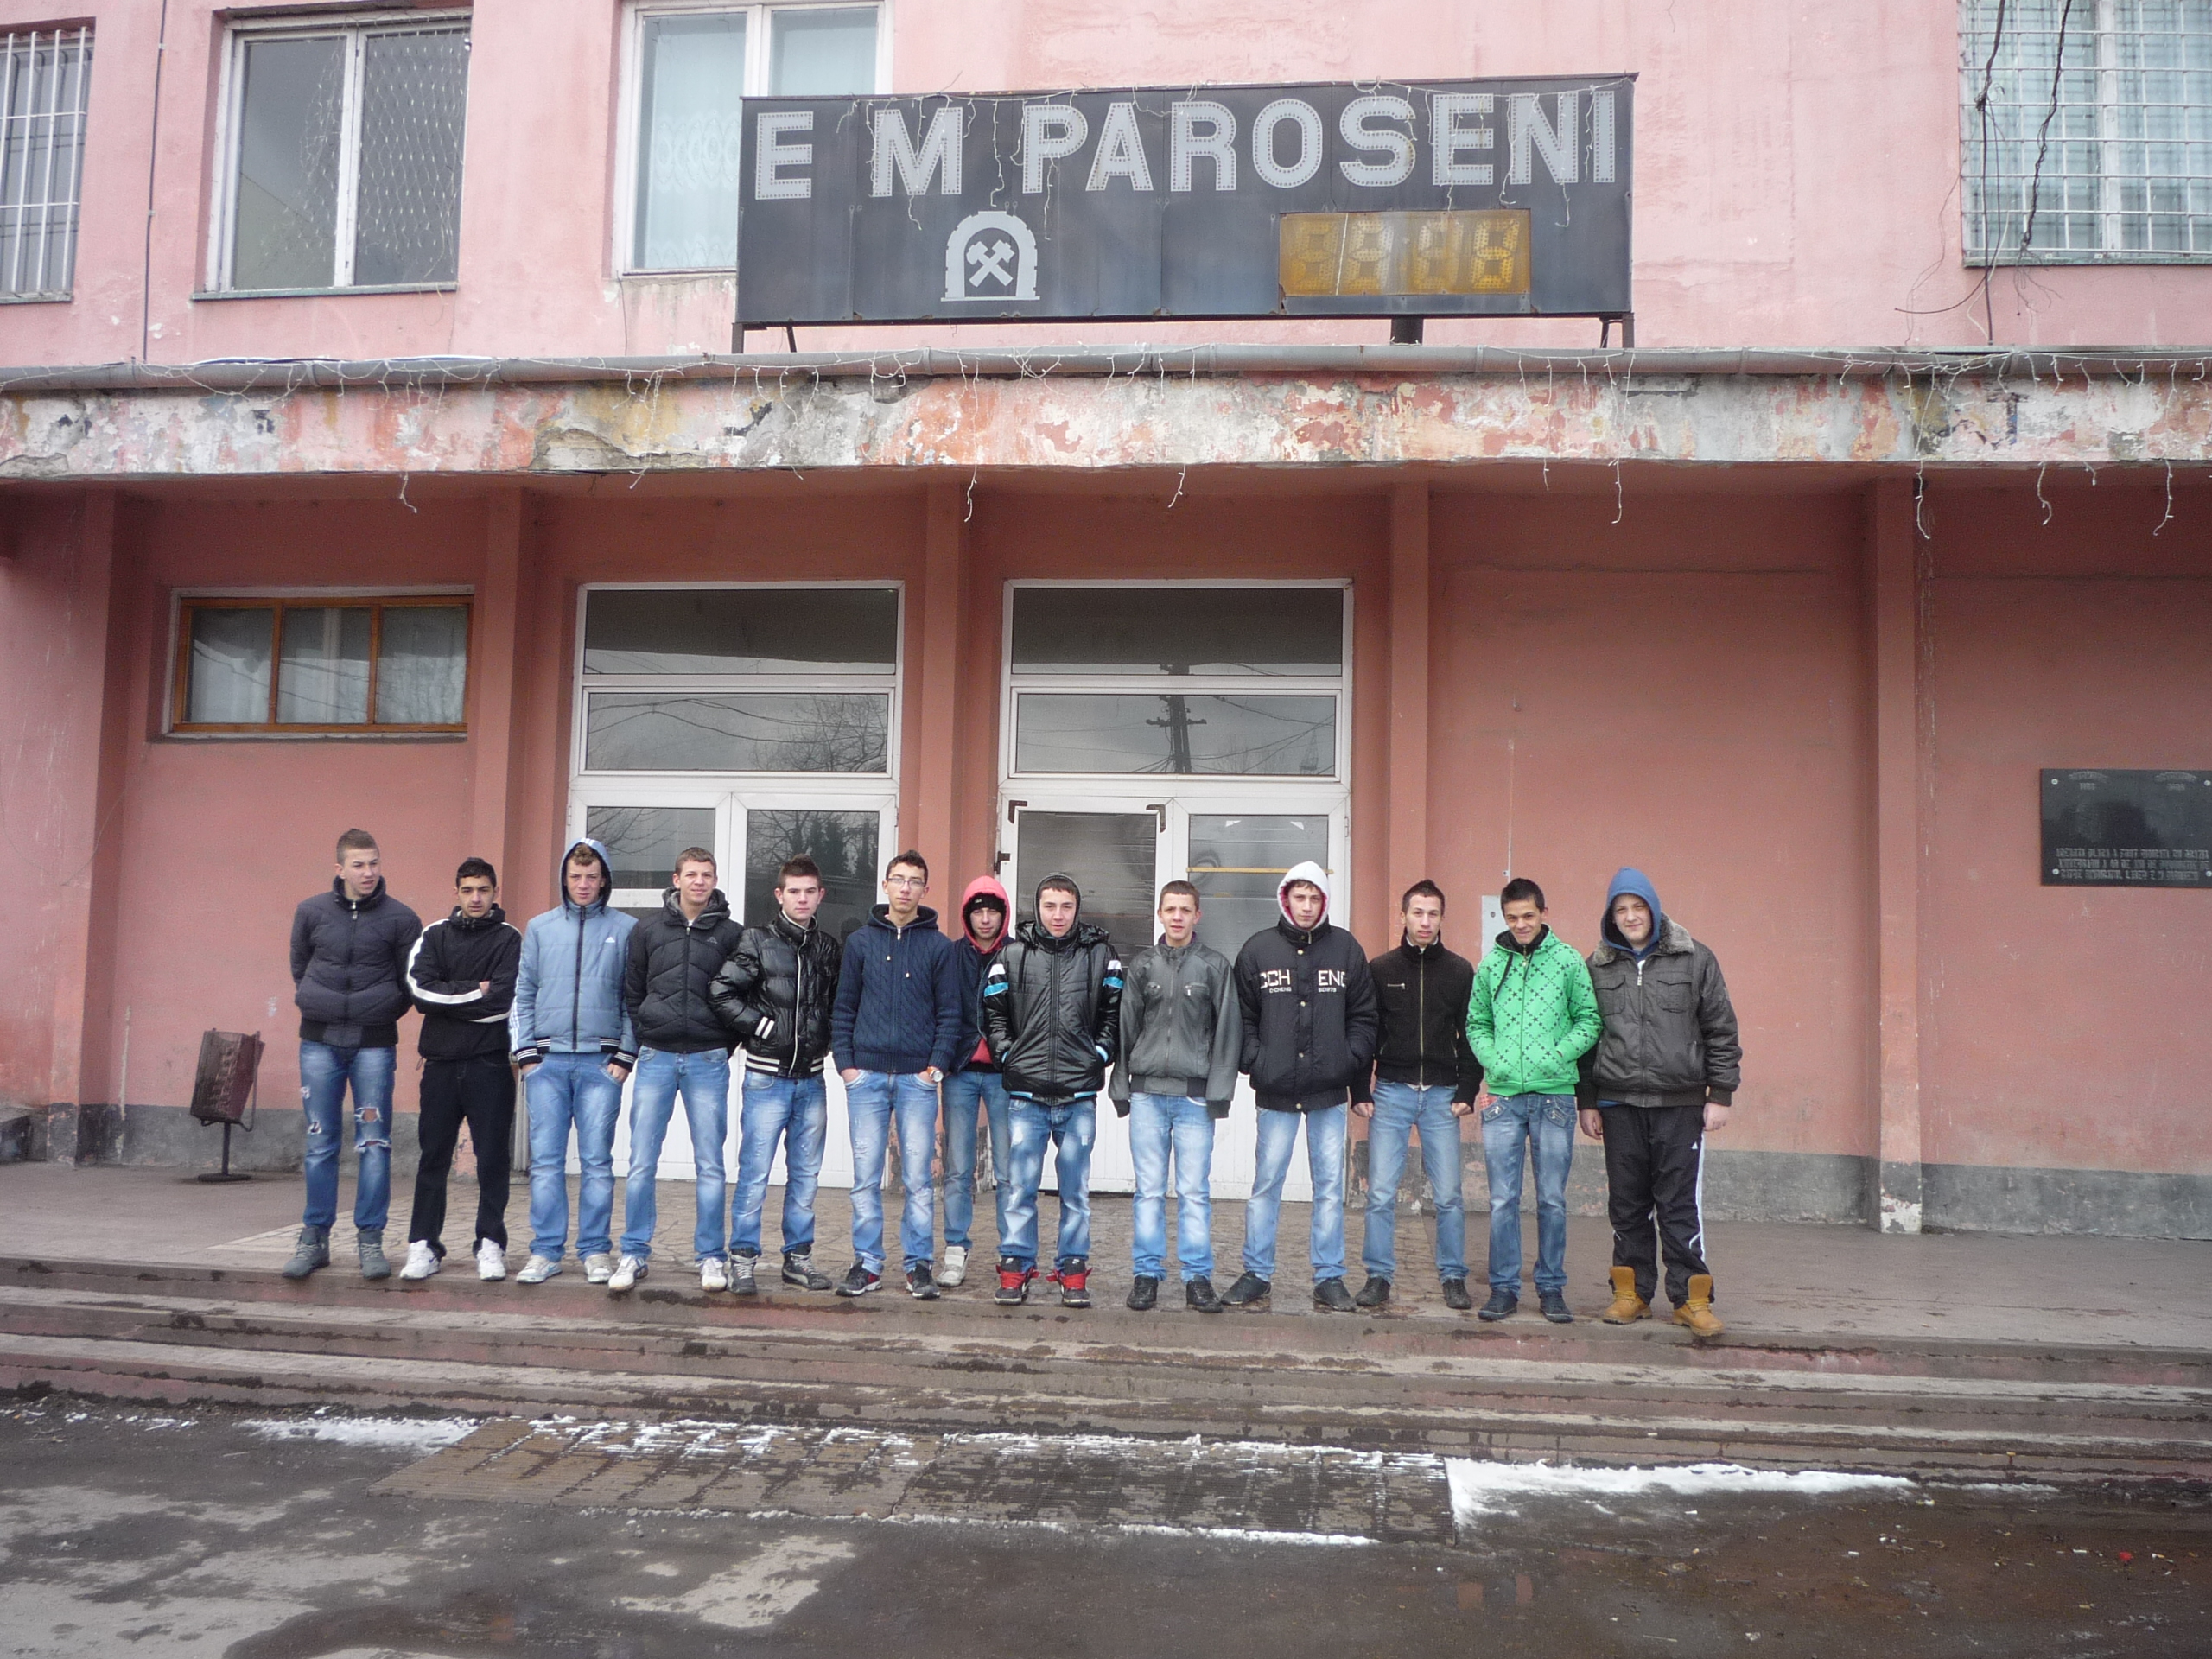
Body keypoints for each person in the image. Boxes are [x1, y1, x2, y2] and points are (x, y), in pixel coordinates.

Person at [1578, 868, 1742, 1338]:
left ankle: (1691, 1299)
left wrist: (1720, 1094)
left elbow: (1721, 1029)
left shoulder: (1695, 959)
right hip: (1618, 1104)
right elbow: (1587, 1039)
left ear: (1654, 909)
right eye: (1621, 910)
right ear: (1611, 916)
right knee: (1626, 1204)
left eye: (1638, 907)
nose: (1630, 917)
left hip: (1680, 1105)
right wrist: (1587, 1100)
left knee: (1678, 1204)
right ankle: (1630, 1294)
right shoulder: (1597, 966)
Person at [1223, 861, 1377, 1313]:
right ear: (1285, 898)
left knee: (1328, 1187)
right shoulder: (1258, 950)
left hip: (1328, 1092)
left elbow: (1364, 1016)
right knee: (1266, 1184)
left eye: (1314, 898)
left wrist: (1349, 1060)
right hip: (1276, 1091)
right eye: (1299, 897)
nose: (1306, 906)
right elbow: (1242, 1017)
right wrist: (1256, 1060)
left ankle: (1329, 1277)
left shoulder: (1346, 950)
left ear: (1324, 901)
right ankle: (1256, 1273)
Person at [283, 829, 423, 1281]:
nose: (368, 872)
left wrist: (382, 1009)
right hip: (319, 1042)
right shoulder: (311, 912)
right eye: (359, 864)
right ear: (339, 868)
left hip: (374, 1045)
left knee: (374, 1143)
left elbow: (410, 980)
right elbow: (300, 967)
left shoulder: (402, 919)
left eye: (374, 863)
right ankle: (314, 1239)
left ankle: (370, 1240)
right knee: (320, 1142)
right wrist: (314, 1000)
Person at [982, 873, 1123, 1308]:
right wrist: (1008, 1055)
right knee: (1019, 1187)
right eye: (1049, 906)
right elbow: (992, 1012)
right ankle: (1016, 1266)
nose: (1057, 915)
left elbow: (1115, 1014)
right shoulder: (1012, 954)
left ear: (1077, 909)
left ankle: (1072, 1269)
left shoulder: (1101, 955)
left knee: (1075, 1192)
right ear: (1037, 908)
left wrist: (1100, 1054)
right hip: (1026, 1096)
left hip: (1078, 1096)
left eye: (1066, 906)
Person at [1466, 876, 1601, 1325]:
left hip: (1555, 1097)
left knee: (1552, 1199)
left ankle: (1551, 1287)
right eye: (1512, 918)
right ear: (1504, 918)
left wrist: (1556, 1055)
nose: (1521, 925)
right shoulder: (1492, 965)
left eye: (1528, 916)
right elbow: (1476, 1023)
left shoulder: (1567, 961)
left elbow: (1589, 1020)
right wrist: (1495, 1060)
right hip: (1503, 1098)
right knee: (1502, 1199)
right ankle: (1503, 1288)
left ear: (1544, 913)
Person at [707, 855, 842, 1294]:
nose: (802, 899)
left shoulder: (828, 948)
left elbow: (837, 1004)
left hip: (813, 1080)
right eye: (794, 891)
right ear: (780, 895)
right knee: (754, 1173)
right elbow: (721, 990)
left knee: (805, 1176)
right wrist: (760, 1027)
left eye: (810, 892)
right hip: (766, 1079)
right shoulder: (757, 940)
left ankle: (797, 1260)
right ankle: (743, 1261)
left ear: (820, 896)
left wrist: (827, 1039)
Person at [830, 850, 963, 1299]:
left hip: (916, 1081)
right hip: (865, 1078)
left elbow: (950, 1014)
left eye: (914, 881)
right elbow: (844, 1007)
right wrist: (846, 1066)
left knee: (919, 1181)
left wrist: (935, 1068)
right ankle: (867, 1264)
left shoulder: (939, 948)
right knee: (866, 1178)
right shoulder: (860, 943)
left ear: (926, 889)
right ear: (885, 885)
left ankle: (918, 1265)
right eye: (898, 879)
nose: (905, 888)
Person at [510, 838, 637, 1285]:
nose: (583, 885)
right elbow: (523, 992)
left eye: (592, 877)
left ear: (604, 881)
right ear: (564, 879)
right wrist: (526, 1055)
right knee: (546, 1163)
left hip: (601, 1065)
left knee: (597, 1162)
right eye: (575, 877)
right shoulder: (540, 928)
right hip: (547, 1064)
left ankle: (596, 1251)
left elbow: (633, 998)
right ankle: (545, 1252)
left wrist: (625, 1055)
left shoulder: (626, 929)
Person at [619, 846, 746, 1293]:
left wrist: (723, 1045)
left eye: (706, 875)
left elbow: (742, 995)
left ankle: (711, 1257)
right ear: (676, 880)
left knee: (710, 1164)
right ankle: (633, 1253)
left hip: (708, 1059)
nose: (699, 882)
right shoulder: (647, 929)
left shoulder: (731, 934)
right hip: (656, 1057)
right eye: (691, 874)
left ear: (715, 881)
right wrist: (645, 1032)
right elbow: (632, 990)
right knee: (641, 1161)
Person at [1351, 880, 1481, 1313]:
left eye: (1433, 914)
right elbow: (1367, 1031)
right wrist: (1360, 1087)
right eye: (1418, 913)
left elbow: (1471, 1034)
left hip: (1443, 1095)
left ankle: (1453, 1276)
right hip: (1392, 1092)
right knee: (1380, 1193)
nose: (1425, 922)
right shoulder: (1381, 969)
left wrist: (1468, 1088)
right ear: (1403, 916)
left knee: (1449, 1195)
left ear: (1442, 919)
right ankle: (1378, 1276)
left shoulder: (1460, 971)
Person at [1112, 880, 1239, 1314]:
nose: (1178, 917)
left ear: (1197, 915)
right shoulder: (1142, 966)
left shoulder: (1214, 967)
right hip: (1148, 1095)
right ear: (1160, 915)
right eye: (1171, 909)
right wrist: (1122, 1088)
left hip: (1194, 1100)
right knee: (1148, 1191)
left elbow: (1227, 1034)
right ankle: (1146, 1275)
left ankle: (1197, 1278)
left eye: (1186, 909)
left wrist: (1218, 1094)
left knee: (1194, 1192)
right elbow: (1125, 1030)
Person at [398, 857, 523, 1282]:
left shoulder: (510, 939)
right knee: (433, 1158)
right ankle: (423, 1245)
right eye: (468, 890)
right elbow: (420, 993)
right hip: (439, 1065)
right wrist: (475, 990)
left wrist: (450, 999)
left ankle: (490, 1244)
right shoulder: (434, 935)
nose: (476, 898)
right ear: (456, 892)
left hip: (490, 1063)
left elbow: (503, 1001)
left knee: (492, 1160)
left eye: (484, 890)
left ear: (495, 892)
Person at [942, 876, 1013, 1290]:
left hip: (1004, 1075)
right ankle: (955, 1248)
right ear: (967, 916)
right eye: (978, 912)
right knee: (957, 1168)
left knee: (1008, 1169)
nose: (985, 919)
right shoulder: (952, 956)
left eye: (992, 912)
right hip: (961, 1072)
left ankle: (1011, 1252)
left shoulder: (1018, 954)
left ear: (1003, 916)